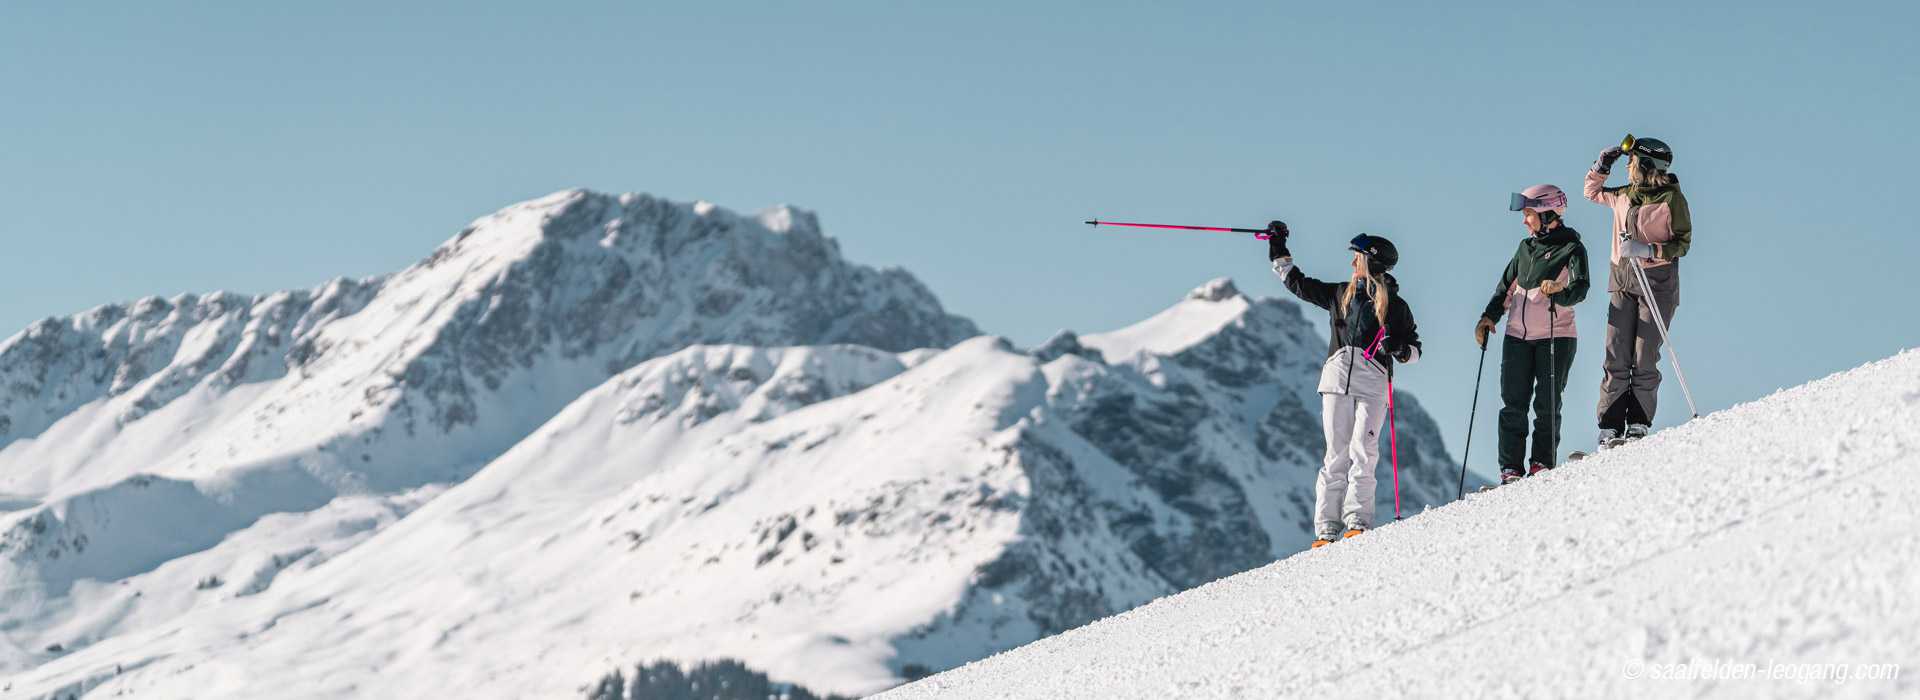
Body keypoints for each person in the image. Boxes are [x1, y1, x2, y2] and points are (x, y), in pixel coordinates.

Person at [1266, 221, 1423, 548]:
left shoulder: (1396, 307)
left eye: (1358, 257)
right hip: (1336, 381)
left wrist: (1400, 349)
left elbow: (1415, 350)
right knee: (1335, 455)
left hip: (1374, 384)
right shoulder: (1339, 294)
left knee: (1363, 452)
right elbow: (1297, 283)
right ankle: (1325, 530)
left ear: (1373, 262)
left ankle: (1357, 523)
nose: (1352, 263)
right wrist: (1277, 245)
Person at [1475, 185, 1590, 484]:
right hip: (1517, 337)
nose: (1525, 221)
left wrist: (1560, 292)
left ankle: (1541, 464)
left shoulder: (1572, 248)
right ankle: (1510, 470)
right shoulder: (1524, 249)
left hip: (1557, 336)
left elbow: (1581, 289)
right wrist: (1488, 318)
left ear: (1547, 213)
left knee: (1547, 403)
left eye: (1529, 214)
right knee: (1513, 403)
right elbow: (1505, 288)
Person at [1584, 136, 1691, 448]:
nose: (1628, 168)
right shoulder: (1624, 195)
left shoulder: (1671, 199)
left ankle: (1638, 422)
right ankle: (1610, 426)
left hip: (1657, 285)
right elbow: (1590, 192)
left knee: (1644, 355)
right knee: (1616, 353)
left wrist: (1650, 249)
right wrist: (1603, 164)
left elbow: (1683, 242)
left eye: (1632, 162)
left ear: (1646, 164)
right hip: (1623, 282)